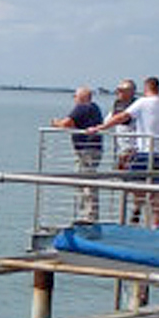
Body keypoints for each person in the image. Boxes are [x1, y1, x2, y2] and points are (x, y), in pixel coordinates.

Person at [91, 76, 159, 226]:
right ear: (158, 89)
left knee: (128, 179)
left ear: (146, 88)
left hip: (147, 152)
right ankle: (156, 223)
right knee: (157, 187)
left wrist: (98, 128)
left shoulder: (142, 102)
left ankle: (135, 210)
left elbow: (122, 117)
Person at [51, 87, 106, 222]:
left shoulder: (82, 107)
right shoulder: (95, 108)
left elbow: (66, 123)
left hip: (86, 151)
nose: (74, 99)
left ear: (81, 97)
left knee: (86, 182)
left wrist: (55, 123)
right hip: (94, 149)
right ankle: (87, 214)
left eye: (75, 96)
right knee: (86, 181)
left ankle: (88, 216)